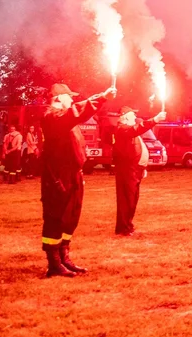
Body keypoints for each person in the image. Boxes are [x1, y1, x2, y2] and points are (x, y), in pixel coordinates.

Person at [40, 82, 116, 278]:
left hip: (72, 174)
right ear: (58, 99)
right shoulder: (53, 118)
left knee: (70, 219)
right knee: (55, 219)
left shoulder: (65, 120)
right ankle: (54, 264)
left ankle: (65, 258)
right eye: (69, 97)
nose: (72, 100)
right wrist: (101, 97)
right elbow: (76, 113)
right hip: (58, 177)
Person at [112, 106, 167, 236]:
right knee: (126, 199)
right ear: (125, 117)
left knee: (132, 199)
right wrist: (155, 119)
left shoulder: (129, 130)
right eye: (132, 115)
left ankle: (128, 225)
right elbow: (137, 129)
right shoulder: (122, 129)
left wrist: (142, 167)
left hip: (135, 169)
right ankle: (123, 228)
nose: (135, 118)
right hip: (127, 170)